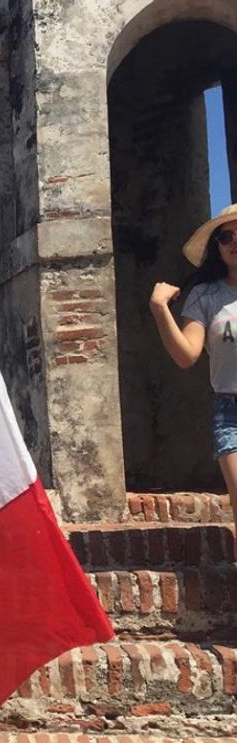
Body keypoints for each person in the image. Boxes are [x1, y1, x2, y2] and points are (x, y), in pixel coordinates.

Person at [151, 202, 237, 542]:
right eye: (226, 236)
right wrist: (159, 309)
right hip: (231, 412)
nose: (234, 242)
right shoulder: (206, 296)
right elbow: (186, 355)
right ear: (217, 246)